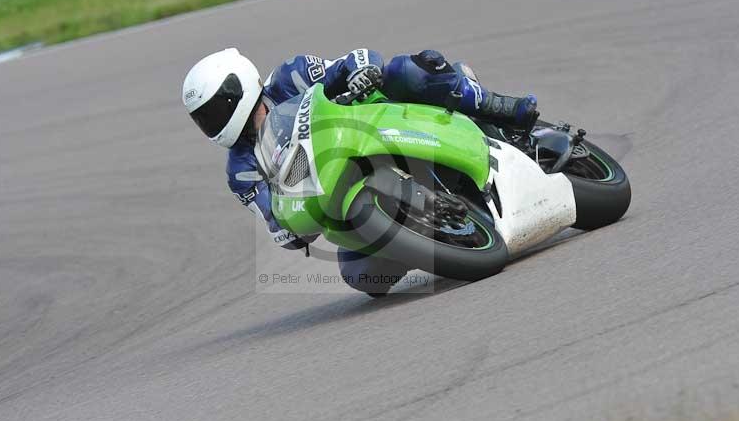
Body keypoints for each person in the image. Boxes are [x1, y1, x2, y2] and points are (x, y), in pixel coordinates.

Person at [181, 48, 538, 294]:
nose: (210, 124)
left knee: (406, 70)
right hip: (342, 189)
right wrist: (288, 226)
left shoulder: (290, 76)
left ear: (237, 90)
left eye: (213, 111)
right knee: (360, 275)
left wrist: (361, 73)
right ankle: (430, 241)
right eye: (202, 120)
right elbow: (276, 222)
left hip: (383, 122)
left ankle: (501, 109)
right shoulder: (240, 170)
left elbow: (356, 59)